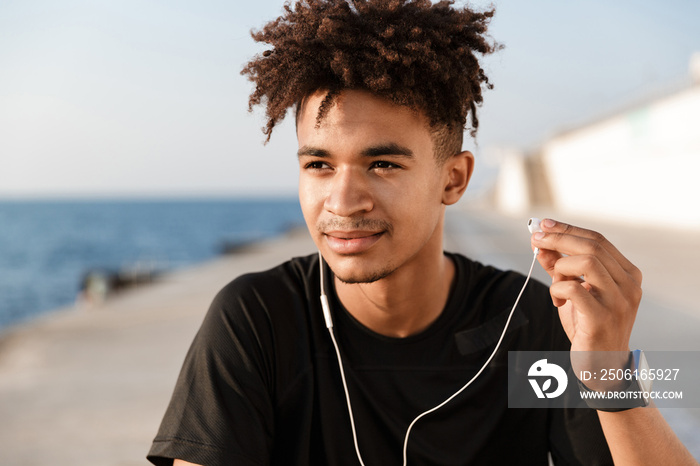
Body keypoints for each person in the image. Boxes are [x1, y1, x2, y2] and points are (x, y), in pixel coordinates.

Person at [148, 1, 696, 465]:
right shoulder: (259, 320)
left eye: (382, 165)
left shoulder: (531, 325)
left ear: (453, 179)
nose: (341, 201)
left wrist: (611, 376)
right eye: (318, 165)